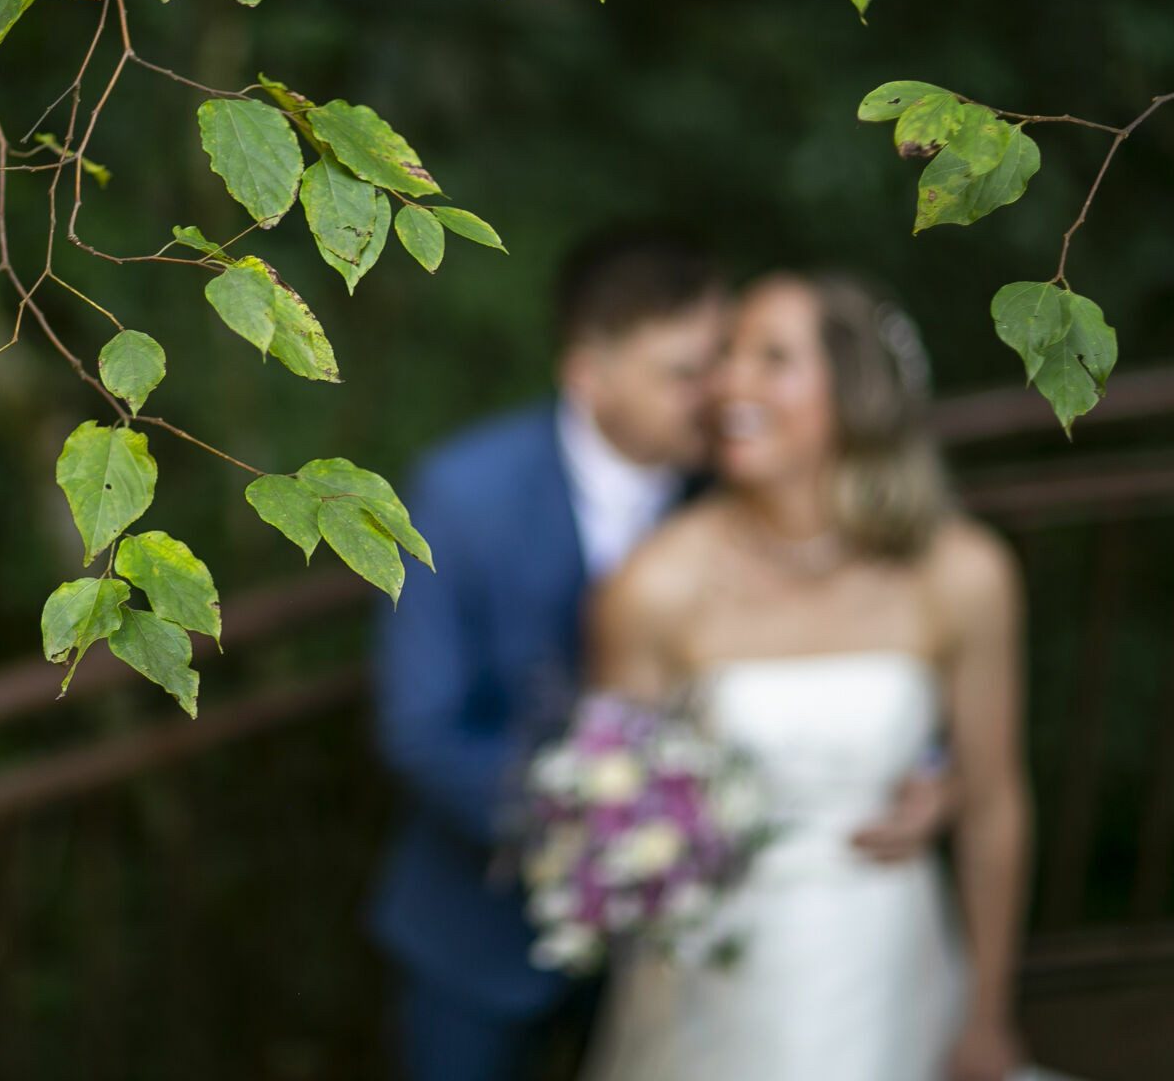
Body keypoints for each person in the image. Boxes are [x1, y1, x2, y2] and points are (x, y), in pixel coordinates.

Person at [369, 237, 950, 1081]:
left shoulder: (749, 477)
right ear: (589, 375)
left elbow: (867, 631)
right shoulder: (461, 495)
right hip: (478, 931)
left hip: (698, 952)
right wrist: (602, 835)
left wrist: (933, 764)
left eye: (725, 357)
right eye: (685, 372)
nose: (721, 391)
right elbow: (421, 730)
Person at [584, 273, 1030, 1081]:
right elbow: (612, 797)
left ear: (857, 391)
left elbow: (996, 806)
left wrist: (987, 1017)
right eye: (725, 356)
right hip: (712, 980)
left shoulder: (963, 575)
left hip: (888, 954)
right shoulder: (654, 586)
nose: (728, 383)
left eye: (772, 358)